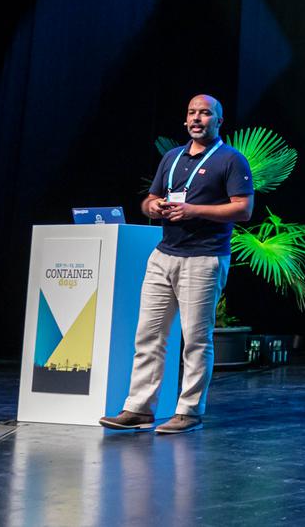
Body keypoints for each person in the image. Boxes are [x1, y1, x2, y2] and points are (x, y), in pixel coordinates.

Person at [100, 94, 253, 434]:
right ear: (185, 120)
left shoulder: (231, 160)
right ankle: (139, 408)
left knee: (195, 340)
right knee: (148, 335)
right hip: (164, 255)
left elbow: (243, 209)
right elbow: (150, 199)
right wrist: (153, 207)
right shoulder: (172, 158)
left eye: (205, 113)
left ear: (218, 121)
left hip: (204, 257)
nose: (197, 118)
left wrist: (193, 210)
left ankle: (188, 411)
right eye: (192, 112)